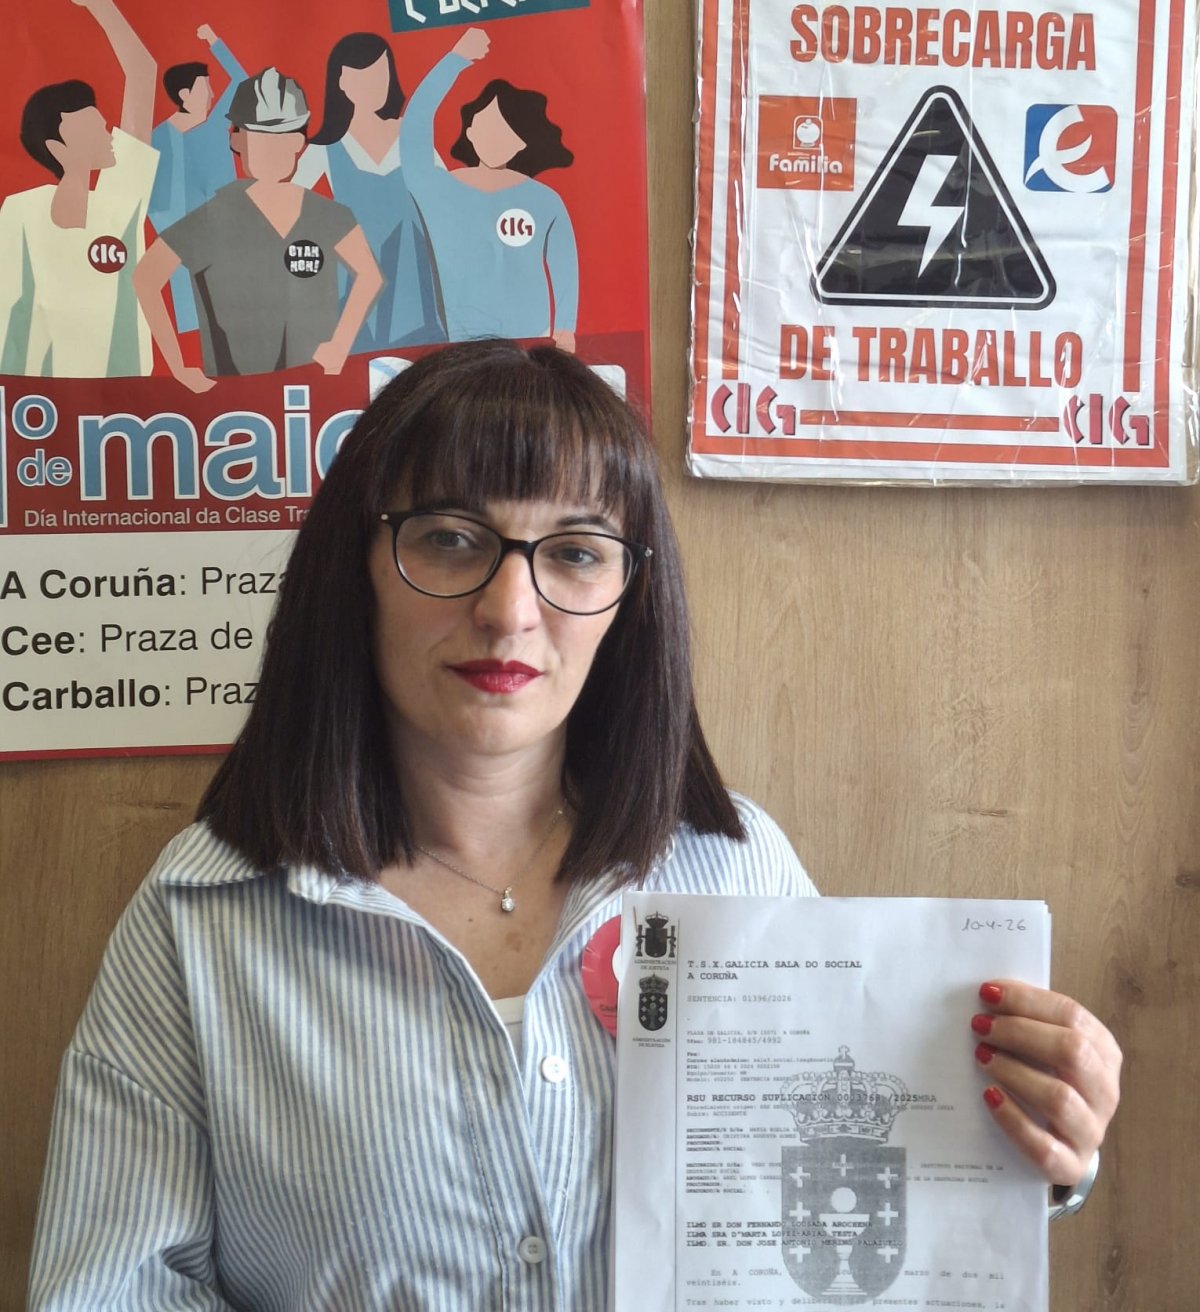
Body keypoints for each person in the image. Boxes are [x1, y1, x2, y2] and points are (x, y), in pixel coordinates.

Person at [28, 341, 1121, 1308]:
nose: (510, 610)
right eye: (450, 539)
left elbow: (841, 1199)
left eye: (576, 552)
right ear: (355, 571)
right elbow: (111, 1290)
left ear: (630, 595)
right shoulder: (202, 917)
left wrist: (1029, 1148)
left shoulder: (735, 869)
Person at [134, 67, 383, 387]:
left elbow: (370, 276)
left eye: (284, 136)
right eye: (260, 137)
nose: (272, 150)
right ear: (236, 139)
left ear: (299, 141)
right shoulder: (212, 217)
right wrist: (179, 369)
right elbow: (145, 278)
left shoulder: (330, 216)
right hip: (239, 398)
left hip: (316, 392)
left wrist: (339, 346)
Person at [0, 0, 158, 378]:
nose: (108, 130)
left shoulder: (120, 197)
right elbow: (8, 309)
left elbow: (143, 74)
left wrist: (102, 5)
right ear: (57, 148)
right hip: (40, 396)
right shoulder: (19, 212)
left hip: (127, 393)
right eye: (92, 126)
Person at [401, 27, 579, 347]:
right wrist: (454, 60)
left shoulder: (545, 200)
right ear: (469, 130)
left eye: (507, 130)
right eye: (487, 124)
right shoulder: (436, 188)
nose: (495, 137)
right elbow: (414, 126)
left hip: (529, 341)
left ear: (522, 143)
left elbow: (564, 264)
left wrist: (565, 327)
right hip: (455, 343)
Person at [295, 31, 446, 352]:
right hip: (355, 284)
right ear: (342, 82)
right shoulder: (327, 147)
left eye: (381, 74)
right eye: (363, 76)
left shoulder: (411, 135)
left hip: (414, 283)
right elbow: (289, 203)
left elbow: (447, 198)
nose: (376, 84)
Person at [148, 24, 248, 336]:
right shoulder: (158, 139)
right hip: (185, 254)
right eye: (206, 87)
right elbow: (155, 204)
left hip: (229, 241)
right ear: (185, 94)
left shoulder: (215, 126)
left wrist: (215, 42)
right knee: (200, 332)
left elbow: (243, 83)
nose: (213, 95)